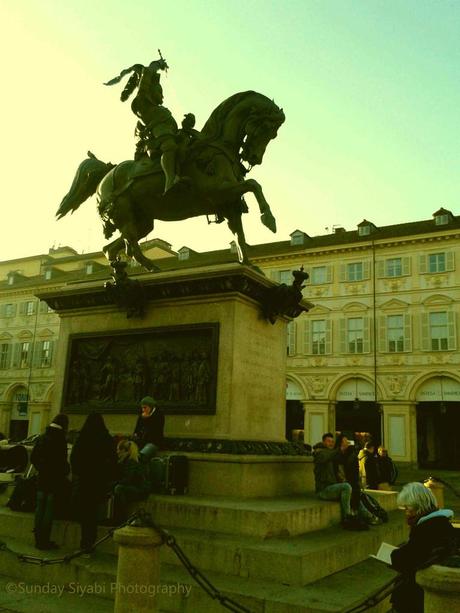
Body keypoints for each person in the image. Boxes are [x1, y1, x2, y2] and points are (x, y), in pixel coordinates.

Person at [390, 482, 456, 613]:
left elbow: (409, 557)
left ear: (418, 507)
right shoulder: (442, 524)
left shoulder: (426, 529)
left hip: (416, 598)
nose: (406, 513)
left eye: (407, 508)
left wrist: (394, 554)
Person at [70, 413, 117, 553]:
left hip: (85, 480)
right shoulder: (106, 438)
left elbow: (74, 459)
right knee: (93, 512)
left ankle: (85, 541)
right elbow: (113, 460)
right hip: (99, 481)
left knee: (86, 512)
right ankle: (89, 541)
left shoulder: (82, 438)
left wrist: (80, 472)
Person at [30, 414, 70, 550]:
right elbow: (63, 462)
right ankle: (44, 540)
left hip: (42, 478)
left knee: (39, 508)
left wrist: (41, 468)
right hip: (54, 479)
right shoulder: (60, 439)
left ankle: (37, 539)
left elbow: (34, 457)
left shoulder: (42, 437)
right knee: (48, 510)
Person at [314, 432, 364, 530]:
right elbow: (326, 457)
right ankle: (347, 517)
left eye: (332, 442)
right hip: (323, 490)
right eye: (328, 441)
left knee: (355, 492)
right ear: (323, 442)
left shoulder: (331, 454)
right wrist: (340, 449)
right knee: (346, 486)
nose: (331, 443)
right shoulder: (319, 453)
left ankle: (363, 516)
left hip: (331, 487)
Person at [335, 434, 382, 526]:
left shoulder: (349, 455)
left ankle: (367, 516)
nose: (347, 443)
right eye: (345, 442)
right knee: (354, 494)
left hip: (352, 484)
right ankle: (359, 516)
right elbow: (340, 472)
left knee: (357, 495)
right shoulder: (340, 456)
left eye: (347, 442)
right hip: (346, 484)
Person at [113, 440, 150, 520]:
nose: (117, 452)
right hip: (136, 487)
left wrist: (113, 484)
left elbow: (127, 480)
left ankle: (120, 518)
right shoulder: (127, 460)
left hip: (140, 490)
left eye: (118, 450)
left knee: (119, 488)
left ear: (124, 451)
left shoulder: (131, 462)